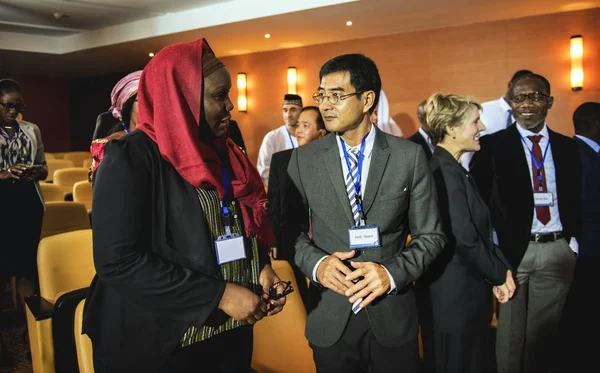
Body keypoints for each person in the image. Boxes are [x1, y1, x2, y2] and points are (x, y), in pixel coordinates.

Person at [83, 38, 287, 373]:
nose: (231, 105)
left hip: (224, 333)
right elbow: (117, 262)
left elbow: (235, 223)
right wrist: (219, 295)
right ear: (181, 97)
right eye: (219, 96)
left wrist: (260, 267)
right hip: (157, 341)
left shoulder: (223, 151)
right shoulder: (131, 157)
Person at [288, 53, 446, 373]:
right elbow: (289, 232)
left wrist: (390, 274)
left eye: (337, 95)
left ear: (367, 99)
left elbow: (432, 236)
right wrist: (317, 265)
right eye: (322, 95)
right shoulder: (303, 160)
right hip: (330, 315)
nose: (325, 105)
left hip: (392, 315)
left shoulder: (409, 156)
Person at [470, 73, 581, 373]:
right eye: (519, 98)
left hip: (557, 250)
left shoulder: (568, 148)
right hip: (511, 253)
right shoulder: (491, 146)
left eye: (536, 96)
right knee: (509, 334)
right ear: (510, 103)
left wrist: (573, 244)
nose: (527, 104)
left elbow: (578, 198)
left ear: (549, 101)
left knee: (543, 336)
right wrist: (492, 252)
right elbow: (479, 203)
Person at [425, 92, 515, 373]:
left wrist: (500, 269)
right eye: (475, 121)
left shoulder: (454, 169)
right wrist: (499, 273)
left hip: (464, 297)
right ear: (451, 129)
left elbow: (479, 230)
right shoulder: (442, 171)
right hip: (453, 302)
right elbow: (465, 237)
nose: (483, 128)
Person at [0, 78, 48, 366]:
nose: (14, 111)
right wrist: (4, 174)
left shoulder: (31, 130)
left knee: (29, 273)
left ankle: (33, 337)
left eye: (19, 106)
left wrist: (33, 171)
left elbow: (44, 168)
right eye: (8, 105)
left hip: (28, 207)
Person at [267, 106, 328, 306]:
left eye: (306, 125)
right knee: (296, 296)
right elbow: (274, 204)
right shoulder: (281, 160)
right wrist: (273, 240)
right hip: (291, 239)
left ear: (321, 133)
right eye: (298, 125)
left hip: (324, 241)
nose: (299, 129)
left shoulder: (331, 163)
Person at [558, 101, 600, 372]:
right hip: (587, 249)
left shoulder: (581, 152)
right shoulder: (578, 154)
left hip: (589, 247)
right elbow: (579, 204)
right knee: (583, 316)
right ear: (596, 124)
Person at [461, 69, 533, 169]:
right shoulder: (484, 110)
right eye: (521, 87)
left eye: (529, 90)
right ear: (510, 84)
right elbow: (468, 140)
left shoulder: (528, 116)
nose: (523, 92)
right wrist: (467, 172)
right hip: (484, 170)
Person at [89, 70, 142, 179]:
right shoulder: (109, 145)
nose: (148, 107)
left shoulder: (164, 141)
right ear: (126, 106)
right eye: (141, 101)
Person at [256, 94, 302, 184]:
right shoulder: (272, 138)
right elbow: (263, 169)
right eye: (285, 110)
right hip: (280, 189)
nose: (288, 115)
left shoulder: (307, 135)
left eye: (293, 110)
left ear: (301, 111)